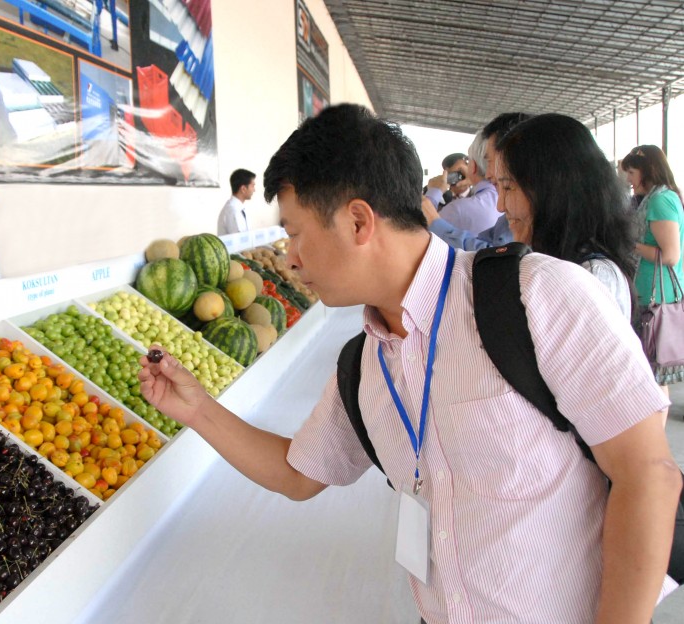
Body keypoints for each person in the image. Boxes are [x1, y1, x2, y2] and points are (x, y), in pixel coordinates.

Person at [138, 104, 681, 624]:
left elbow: (647, 474)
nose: (291, 259)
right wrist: (197, 409)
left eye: (296, 234)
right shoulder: (364, 363)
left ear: (357, 222)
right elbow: (297, 474)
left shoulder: (538, 294)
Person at [494, 113, 637, 320]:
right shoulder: (558, 261)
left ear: (553, 189)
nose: (500, 206)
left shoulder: (591, 278)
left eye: (508, 187)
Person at [621, 144, 684, 425]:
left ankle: (654, 438)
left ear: (647, 171)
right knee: (650, 373)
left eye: (631, 172)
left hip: (657, 298)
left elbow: (670, 256)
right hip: (647, 294)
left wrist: (630, 245)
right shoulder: (654, 198)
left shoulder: (660, 201)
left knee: (654, 375)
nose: (628, 180)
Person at [427, 112, 530, 250]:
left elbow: (496, 257)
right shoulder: (505, 213)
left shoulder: (458, 208)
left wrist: (432, 198)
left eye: (490, 160)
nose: (488, 173)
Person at [422, 134, 498, 234]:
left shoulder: (457, 209)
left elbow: (418, 229)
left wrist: (434, 192)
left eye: (468, 163)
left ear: (473, 167)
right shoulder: (502, 198)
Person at [217, 169, 256, 235]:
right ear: (243, 189)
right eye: (252, 186)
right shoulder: (233, 211)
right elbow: (241, 242)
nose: (254, 190)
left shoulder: (238, 208)